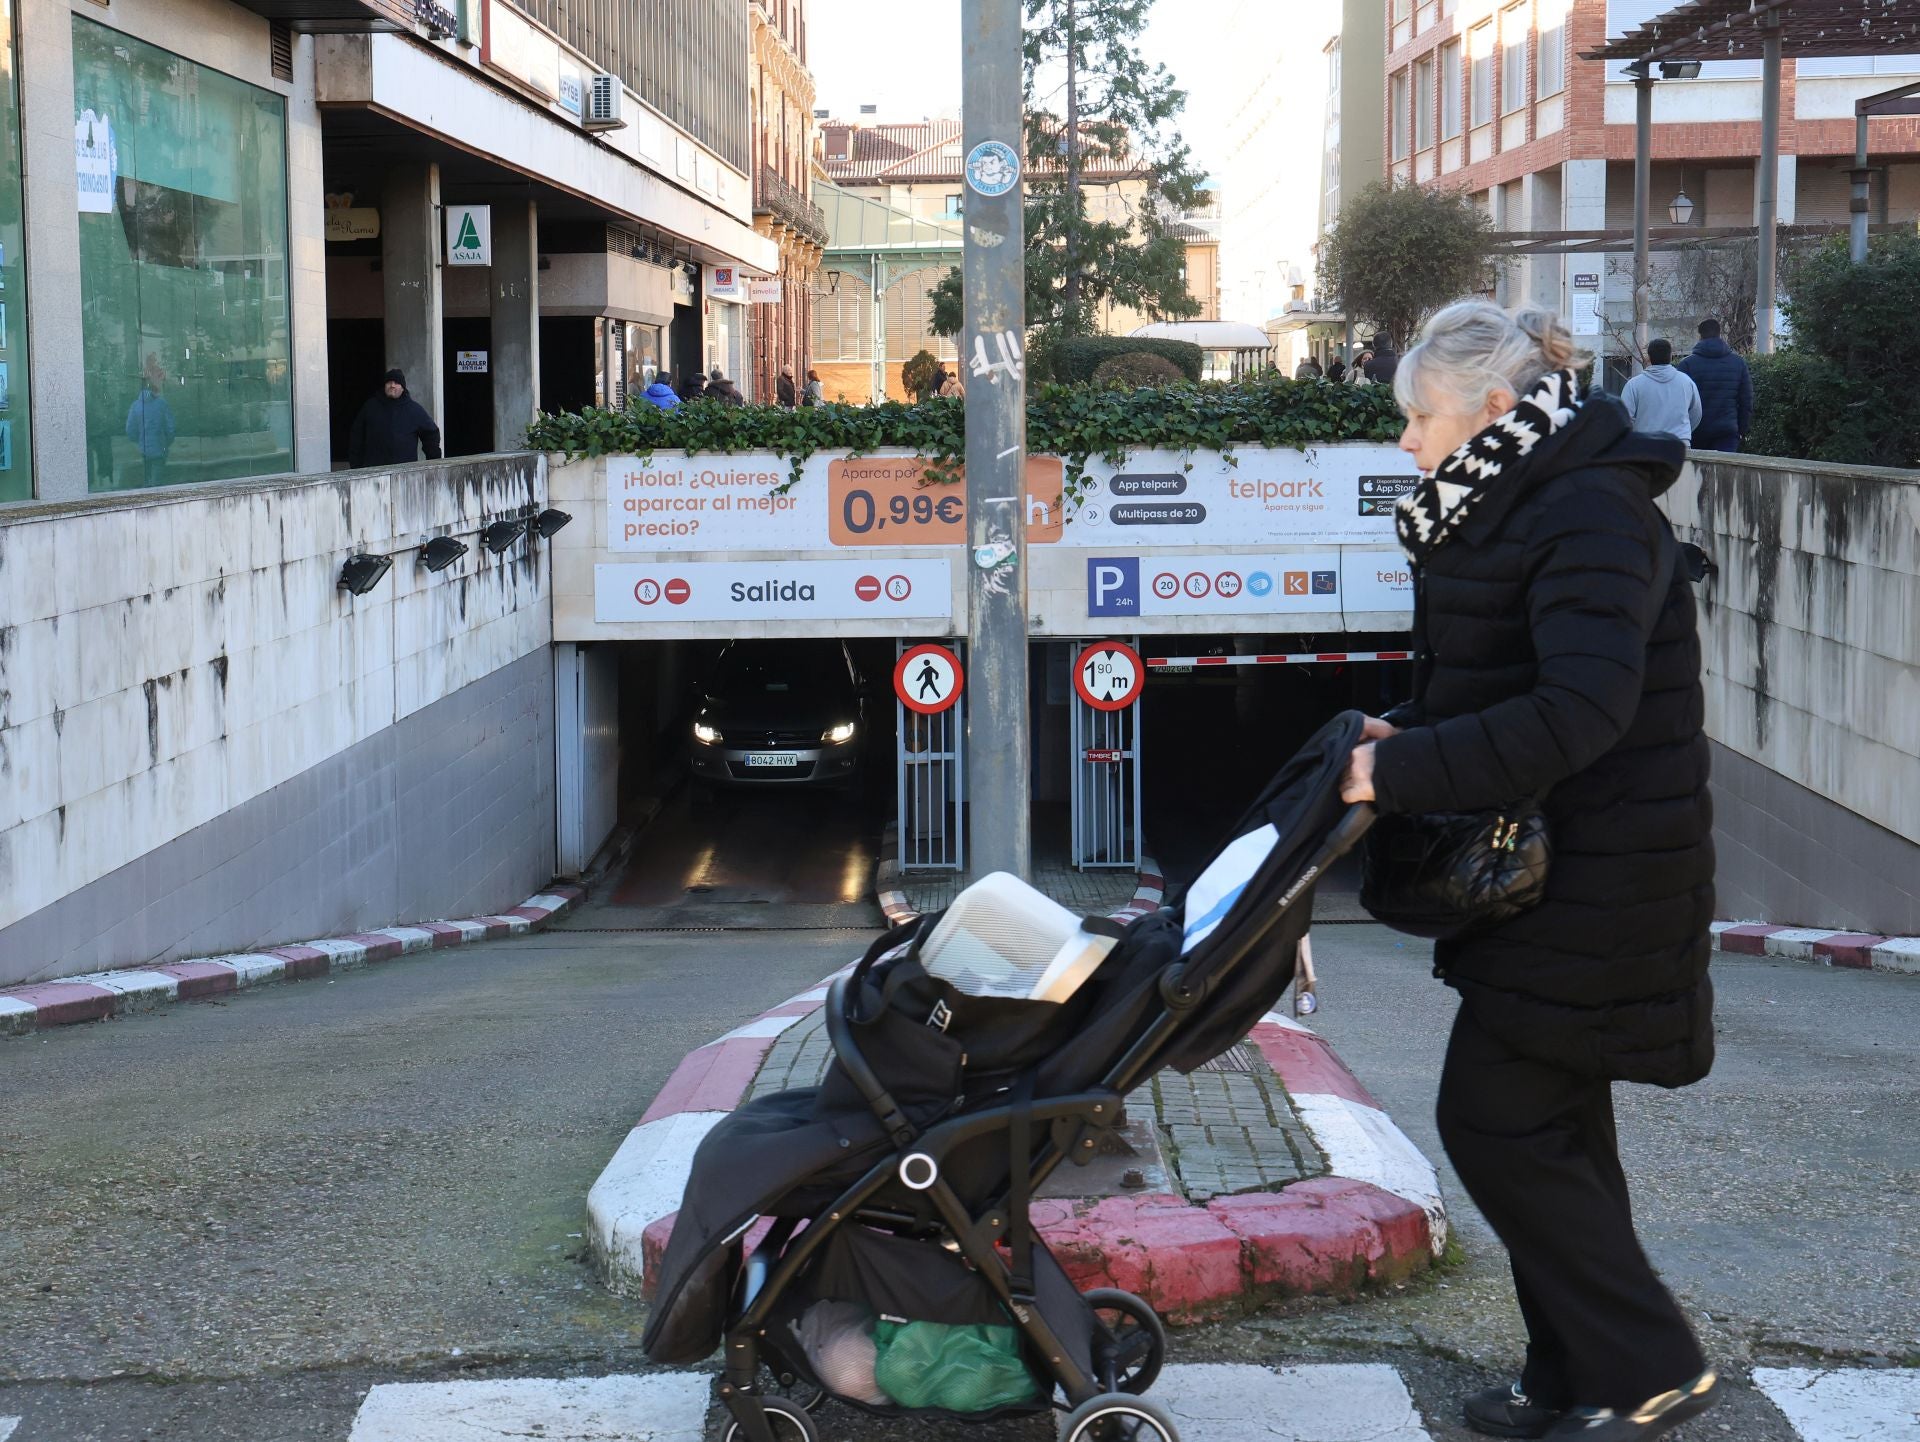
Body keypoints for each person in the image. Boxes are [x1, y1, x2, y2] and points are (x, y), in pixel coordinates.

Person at [1341, 301, 1720, 1442]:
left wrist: (1395, 774)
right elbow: (1496, 682)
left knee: (1496, 1119)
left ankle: (1653, 1367)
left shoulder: (1587, 510)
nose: (1406, 442)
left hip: (1603, 874)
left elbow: (1577, 710)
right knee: (1557, 1131)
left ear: (1496, 411)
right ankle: (1573, 1372)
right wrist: (1399, 731)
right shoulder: (1512, 503)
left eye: (1419, 417)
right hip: (1551, 872)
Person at [1675, 318, 1751, 453]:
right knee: (1724, 473)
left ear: (1700, 336)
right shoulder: (1738, 363)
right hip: (1727, 432)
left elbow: (1678, 403)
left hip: (1695, 431)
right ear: (1719, 333)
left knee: (1696, 473)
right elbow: (1746, 401)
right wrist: (1741, 430)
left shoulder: (1687, 364)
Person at [348, 368, 441, 468]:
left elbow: (431, 433)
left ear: (402, 387)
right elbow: (356, 437)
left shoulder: (414, 410)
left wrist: (433, 463)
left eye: (396, 382)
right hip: (373, 472)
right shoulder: (370, 407)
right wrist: (356, 467)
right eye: (389, 382)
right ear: (384, 386)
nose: (392, 385)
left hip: (404, 473)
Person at [1620, 339, 1702, 444]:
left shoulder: (1634, 384)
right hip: (1679, 444)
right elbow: (1696, 413)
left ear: (1649, 357)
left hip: (1645, 444)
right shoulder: (1686, 382)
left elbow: (1624, 418)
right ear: (1670, 356)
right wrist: (1683, 432)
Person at [125, 357, 176, 487]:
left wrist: (140, 440)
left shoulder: (136, 405)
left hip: (144, 449)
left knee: (147, 478)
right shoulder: (162, 404)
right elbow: (171, 428)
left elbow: (130, 430)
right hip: (160, 449)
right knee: (157, 482)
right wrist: (166, 442)